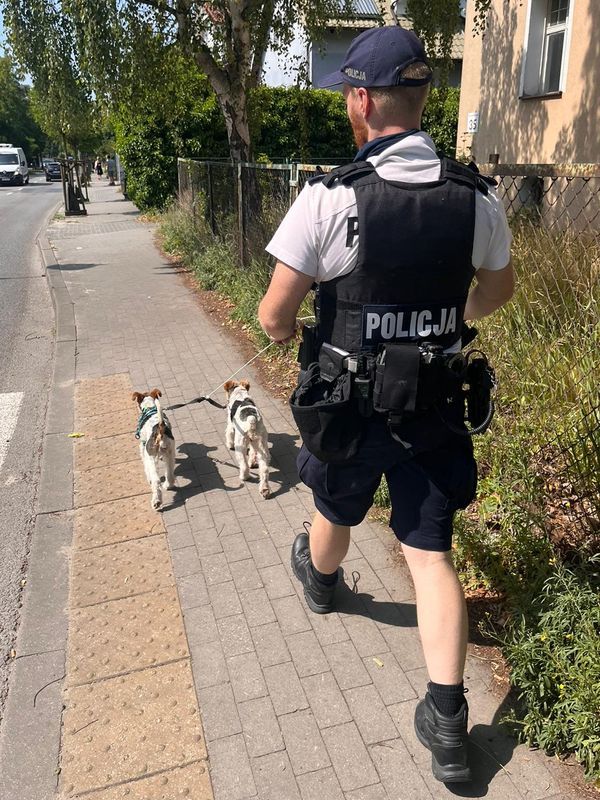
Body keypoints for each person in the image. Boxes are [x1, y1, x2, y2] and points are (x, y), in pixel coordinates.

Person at [258, 26, 513, 784]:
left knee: (335, 509)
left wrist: (303, 336)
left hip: (349, 411)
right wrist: (443, 324)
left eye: (347, 95)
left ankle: (323, 582)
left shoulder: (329, 198)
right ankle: (446, 721)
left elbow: (274, 315)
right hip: (433, 410)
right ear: (424, 98)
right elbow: (496, 291)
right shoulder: (476, 199)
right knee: (429, 554)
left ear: (363, 100)